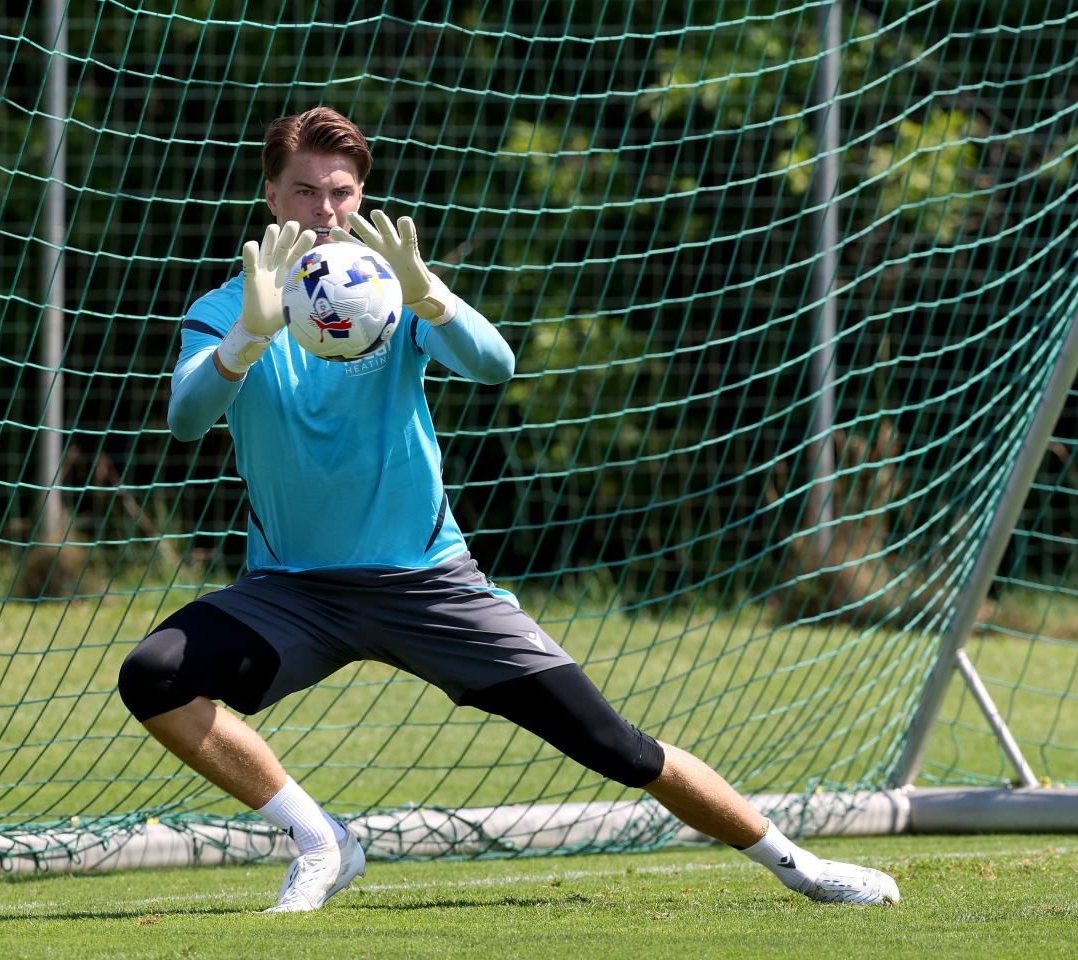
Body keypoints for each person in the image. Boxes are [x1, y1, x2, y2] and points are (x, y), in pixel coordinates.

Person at [118, 106, 900, 913]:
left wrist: (430, 297)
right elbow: (184, 418)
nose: (324, 212)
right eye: (304, 192)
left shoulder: (388, 294)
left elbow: (495, 366)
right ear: (270, 197)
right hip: (294, 592)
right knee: (155, 676)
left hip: (429, 585)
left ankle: (799, 866)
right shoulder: (230, 307)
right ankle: (323, 841)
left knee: (615, 747)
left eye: (341, 193)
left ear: (362, 195)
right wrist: (247, 339)